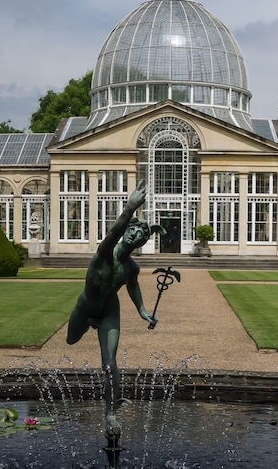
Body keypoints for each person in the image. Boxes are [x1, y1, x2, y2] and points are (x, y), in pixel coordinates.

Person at [66, 178, 163, 438]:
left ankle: (110, 413)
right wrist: (129, 209)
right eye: (133, 231)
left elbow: (132, 286)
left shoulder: (132, 267)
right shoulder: (104, 253)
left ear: (142, 243)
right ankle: (87, 325)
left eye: (141, 236)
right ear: (127, 230)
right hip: (86, 307)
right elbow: (112, 233)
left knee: (109, 363)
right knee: (71, 340)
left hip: (110, 310)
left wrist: (143, 311)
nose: (135, 236)